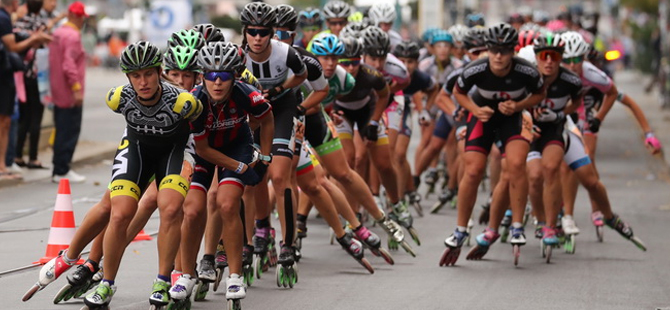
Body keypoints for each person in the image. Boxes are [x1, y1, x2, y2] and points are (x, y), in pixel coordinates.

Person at [440, 23, 544, 266]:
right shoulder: (475, 68)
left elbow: (541, 94)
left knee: (517, 165)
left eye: (505, 51)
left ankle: (517, 226)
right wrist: (475, 109)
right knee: (474, 170)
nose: (499, 56)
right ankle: (460, 229)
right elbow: (457, 93)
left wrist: (518, 106)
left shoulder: (526, 71)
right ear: (488, 49)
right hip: (482, 116)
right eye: (494, 50)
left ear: (513, 52)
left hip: (513, 117)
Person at [0, 0, 51, 180]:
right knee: (29, 117)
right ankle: (27, 159)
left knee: (18, 119)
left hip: (20, 75)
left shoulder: (16, 22)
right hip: (32, 76)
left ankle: (14, 158)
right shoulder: (35, 24)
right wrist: (36, 39)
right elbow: (13, 46)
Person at [48, 1, 87, 183]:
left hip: (57, 90)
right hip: (70, 93)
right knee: (69, 130)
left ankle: (58, 168)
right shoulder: (72, 36)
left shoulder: (57, 33)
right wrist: (77, 89)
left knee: (61, 129)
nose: (82, 22)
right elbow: (69, 64)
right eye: (81, 18)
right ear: (75, 17)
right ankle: (62, 169)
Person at [13, 0, 48, 170]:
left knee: (23, 118)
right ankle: (33, 157)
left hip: (22, 75)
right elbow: (49, 42)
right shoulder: (41, 24)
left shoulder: (19, 24)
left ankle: (18, 155)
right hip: (39, 77)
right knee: (37, 117)